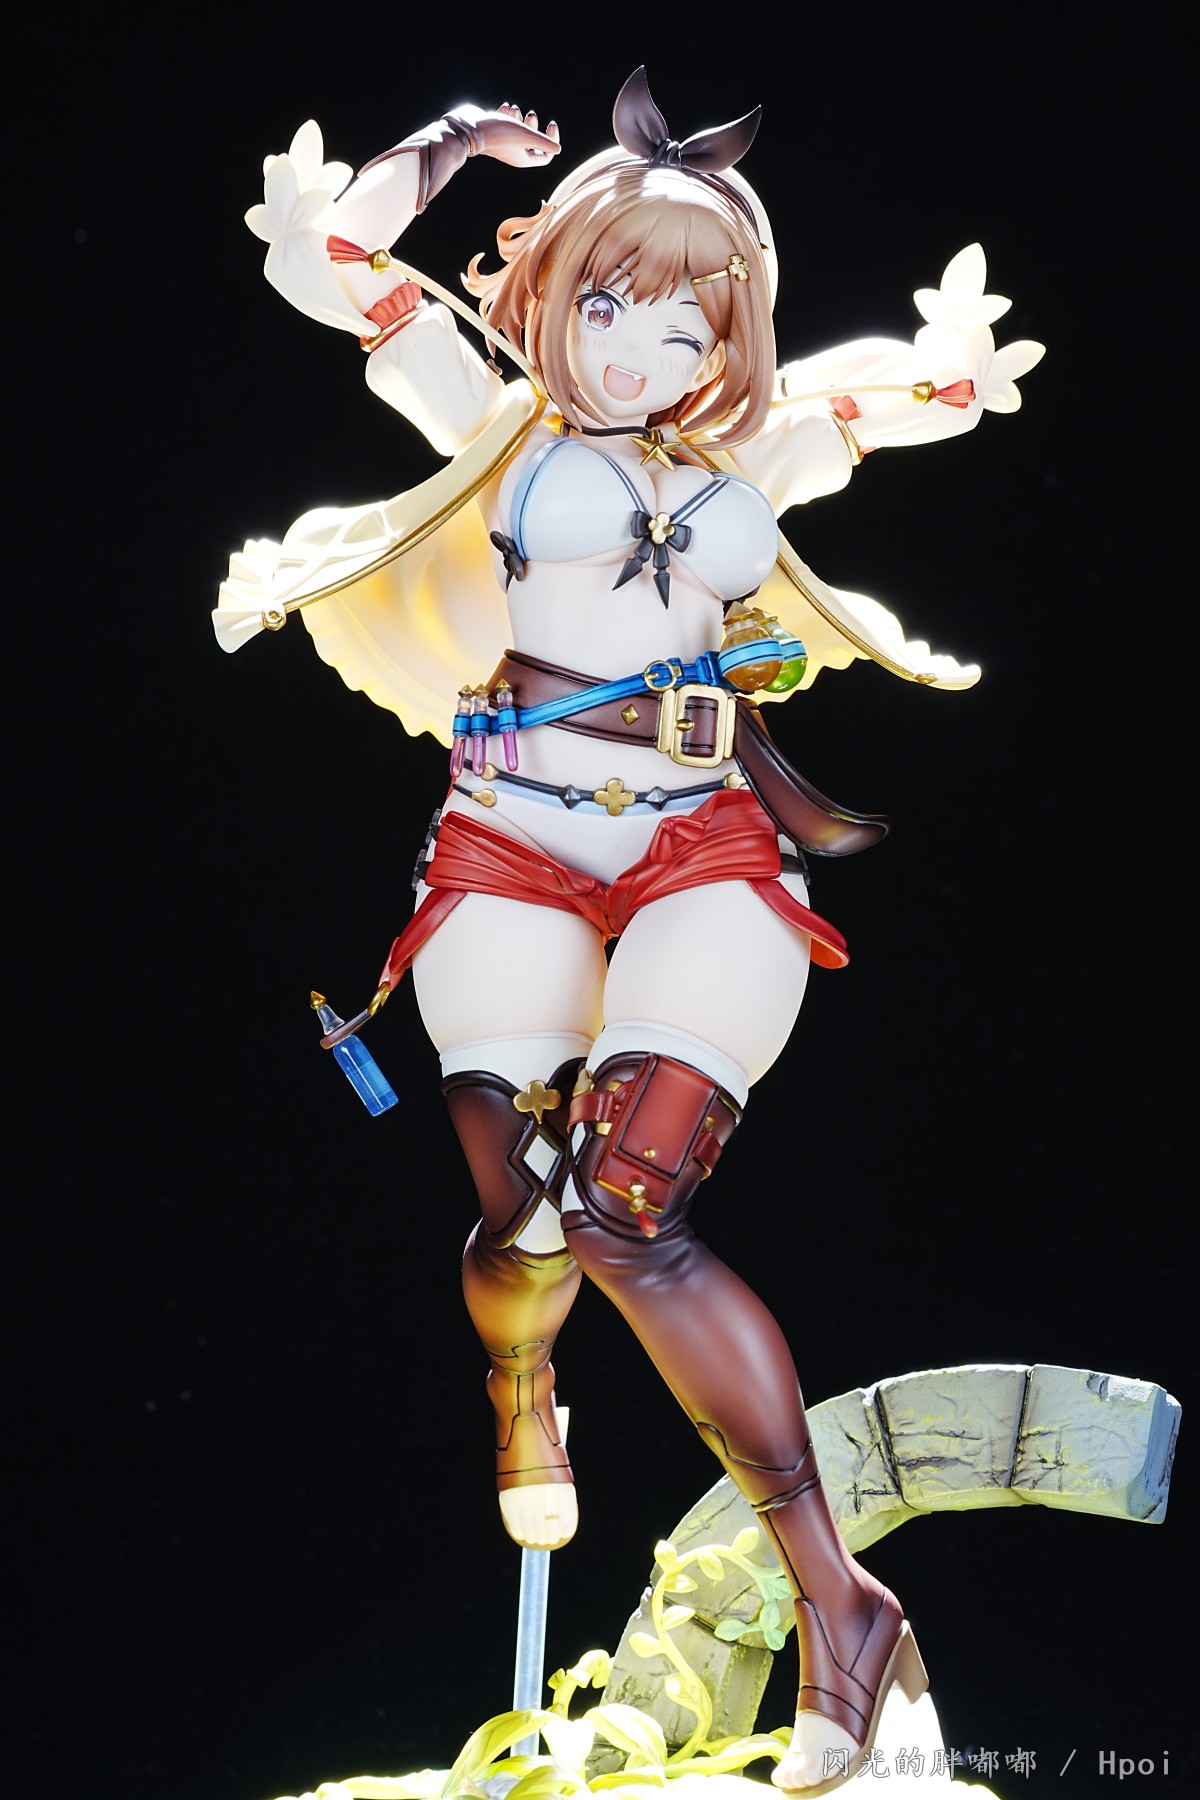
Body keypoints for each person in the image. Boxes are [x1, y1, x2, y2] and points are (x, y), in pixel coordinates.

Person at [217, 68, 1043, 1796]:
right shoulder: (494, 416)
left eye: (689, 326)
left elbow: (881, 404)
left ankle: (842, 1608)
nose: (642, 356)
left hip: (702, 840)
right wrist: (451, 143)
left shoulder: (743, 452)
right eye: (608, 308)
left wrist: (956, 370)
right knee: (527, 1230)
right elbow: (332, 262)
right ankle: (524, 1386)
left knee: (626, 1213)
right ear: (550, 294)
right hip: (512, 846)